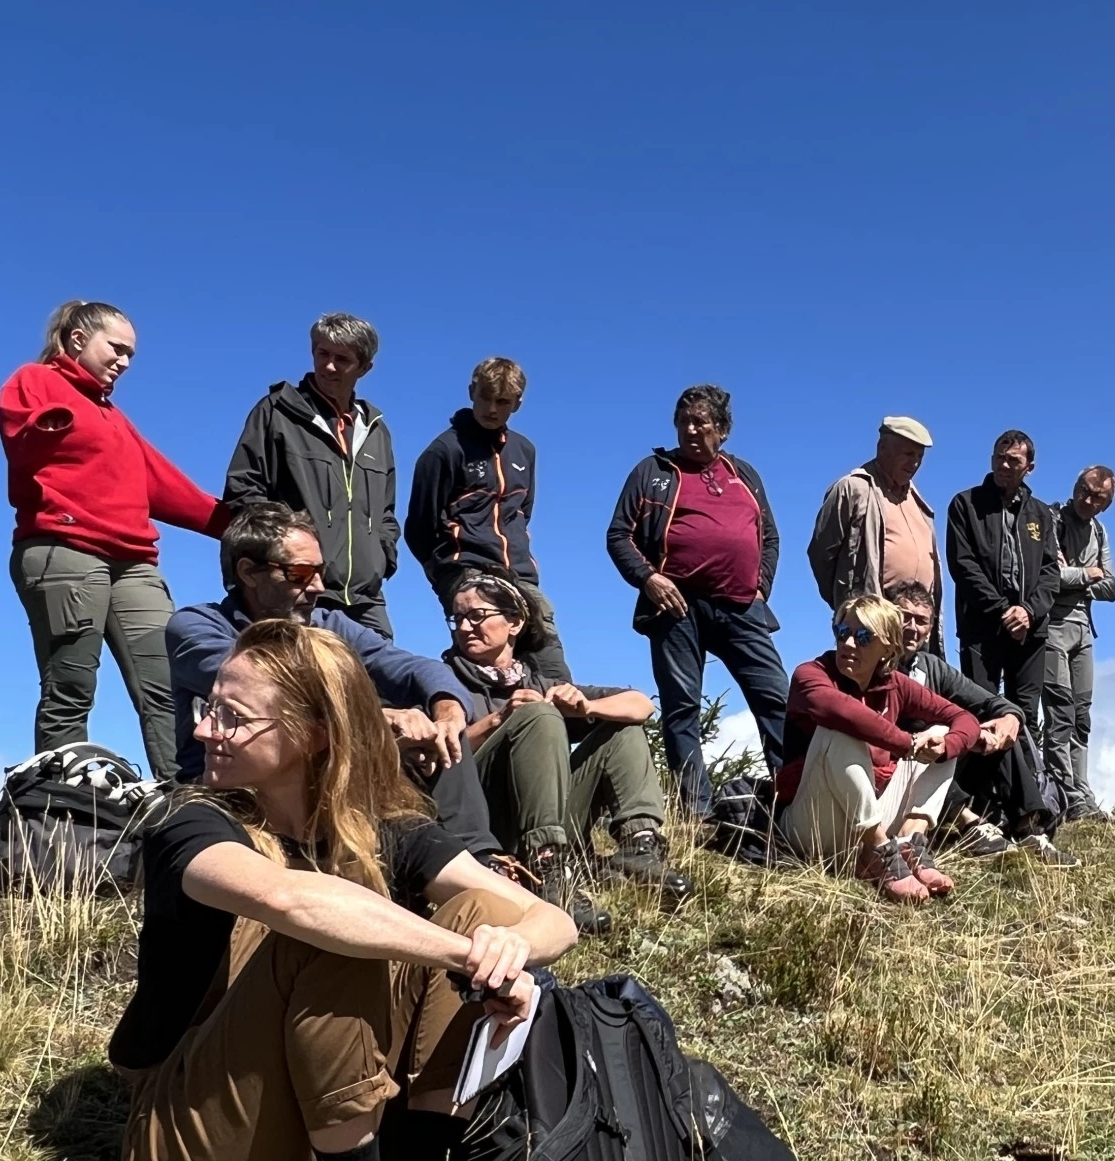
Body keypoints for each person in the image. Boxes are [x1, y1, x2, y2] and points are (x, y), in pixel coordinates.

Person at [112, 617, 579, 1161]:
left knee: (481, 912)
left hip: (315, 1137)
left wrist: (506, 953)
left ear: (315, 733)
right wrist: (465, 960)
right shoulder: (191, 819)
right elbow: (290, 900)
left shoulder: (381, 828)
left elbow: (552, 920)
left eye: (233, 716)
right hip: (195, 1155)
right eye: (210, 708)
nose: (205, 729)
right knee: (335, 924)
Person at [164, 505, 615, 927]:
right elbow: (279, 686)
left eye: (321, 572)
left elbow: (412, 666)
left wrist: (446, 707)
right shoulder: (197, 628)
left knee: (438, 734)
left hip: (321, 781)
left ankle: (482, 868)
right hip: (239, 791)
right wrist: (382, 717)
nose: (317, 586)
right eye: (301, 573)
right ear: (248, 571)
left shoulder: (328, 625)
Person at [0, 301, 233, 779]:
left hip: (133, 562)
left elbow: (164, 485)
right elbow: (22, 440)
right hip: (65, 550)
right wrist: (48, 425)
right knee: (71, 688)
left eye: (131, 355)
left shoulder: (114, 418)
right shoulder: (36, 380)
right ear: (78, 340)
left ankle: (187, 806)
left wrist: (236, 523)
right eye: (117, 349)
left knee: (171, 686)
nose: (124, 362)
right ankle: (63, 811)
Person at [441, 571, 690, 907]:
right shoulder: (442, 682)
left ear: (514, 622)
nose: (464, 627)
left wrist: (586, 707)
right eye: (456, 619)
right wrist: (500, 720)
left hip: (552, 819)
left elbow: (642, 705)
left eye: (477, 615)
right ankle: (544, 869)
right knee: (539, 715)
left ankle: (639, 845)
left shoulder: (540, 683)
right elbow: (436, 751)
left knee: (622, 729)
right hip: (485, 820)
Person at [605, 385, 787, 819]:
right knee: (681, 706)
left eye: (700, 422)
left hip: (741, 606)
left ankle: (793, 800)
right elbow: (619, 535)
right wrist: (649, 579)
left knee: (777, 698)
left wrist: (761, 587)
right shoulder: (653, 471)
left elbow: (769, 537)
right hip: (675, 606)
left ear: (722, 429)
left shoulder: (744, 474)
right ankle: (697, 814)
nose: (689, 430)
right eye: (683, 421)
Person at [776, 594, 981, 903]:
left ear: (888, 648)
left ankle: (910, 842)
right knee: (839, 728)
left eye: (863, 637)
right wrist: (907, 743)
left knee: (940, 735)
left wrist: (944, 746)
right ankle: (877, 848)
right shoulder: (812, 673)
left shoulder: (896, 684)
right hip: (812, 824)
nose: (848, 644)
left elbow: (965, 720)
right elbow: (837, 710)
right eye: (842, 632)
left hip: (869, 813)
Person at [225, 314, 400, 636]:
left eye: (342, 359)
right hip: (297, 587)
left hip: (365, 596)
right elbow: (244, 489)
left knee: (383, 667)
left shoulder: (376, 431)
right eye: (322, 354)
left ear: (364, 368)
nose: (329, 366)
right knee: (299, 668)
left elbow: (386, 511)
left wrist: (383, 557)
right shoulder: (276, 411)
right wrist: (282, 558)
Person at [404, 356, 569, 683]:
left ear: (517, 404)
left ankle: (547, 714)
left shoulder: (524, 451)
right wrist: (445, 573)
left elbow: (522, 513)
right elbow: (419, 526)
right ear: (471, 392)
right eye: (485, 397)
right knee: (484, 666)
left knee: (552, 671)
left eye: (502, 401)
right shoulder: (444, 450)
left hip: (520, 574)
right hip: (468, 570)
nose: (491, 409)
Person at [884, 579, 1072, 865]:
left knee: (999, 729)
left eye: (921, 621)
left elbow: (990, 701)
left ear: (930, 629)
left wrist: (1010, 719)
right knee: (938, 736)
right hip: (897, 773)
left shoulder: (932, 667)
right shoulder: (874, 665)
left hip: (943, 767)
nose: (912, 627)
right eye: (904, 617)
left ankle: (1028, 830)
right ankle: (970, 824)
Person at [946, 431, 1060, 738]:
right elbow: (963, 565)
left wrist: (1028, 612)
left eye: (1013, 460)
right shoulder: (965, 504)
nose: (1004, 465)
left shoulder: (1041, 514)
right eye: (999, 458)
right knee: (980, 712)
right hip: (981, 626)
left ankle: (1024, 772)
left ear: (1029, 468)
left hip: (1030, 631)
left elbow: (1051, 572)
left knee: (1025, 716)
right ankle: (981, 773)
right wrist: (1003, 612)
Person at [1040, 466, 1115, 821]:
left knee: (1081, 715)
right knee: (1059, 712)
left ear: (1106, 504)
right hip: (1052, 627)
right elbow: (1049, 577)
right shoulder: (1051, 519)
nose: (1087, 500)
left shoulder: (1099, 531)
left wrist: (1076, 578)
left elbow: (1112, 587)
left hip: (1084, 629)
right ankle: (1064, 793)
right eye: (1083, 491)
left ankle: (1080, 790)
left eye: (1097, 497)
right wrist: (1088, 574)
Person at [807, 416, 943, 612]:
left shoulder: (919, 503)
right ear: (883, 447)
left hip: (917, 621)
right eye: (908, 454)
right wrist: (848, 605)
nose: (914, 463)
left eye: (919, 456)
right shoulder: (853, 488)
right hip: (871, 618)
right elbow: (821, 554)